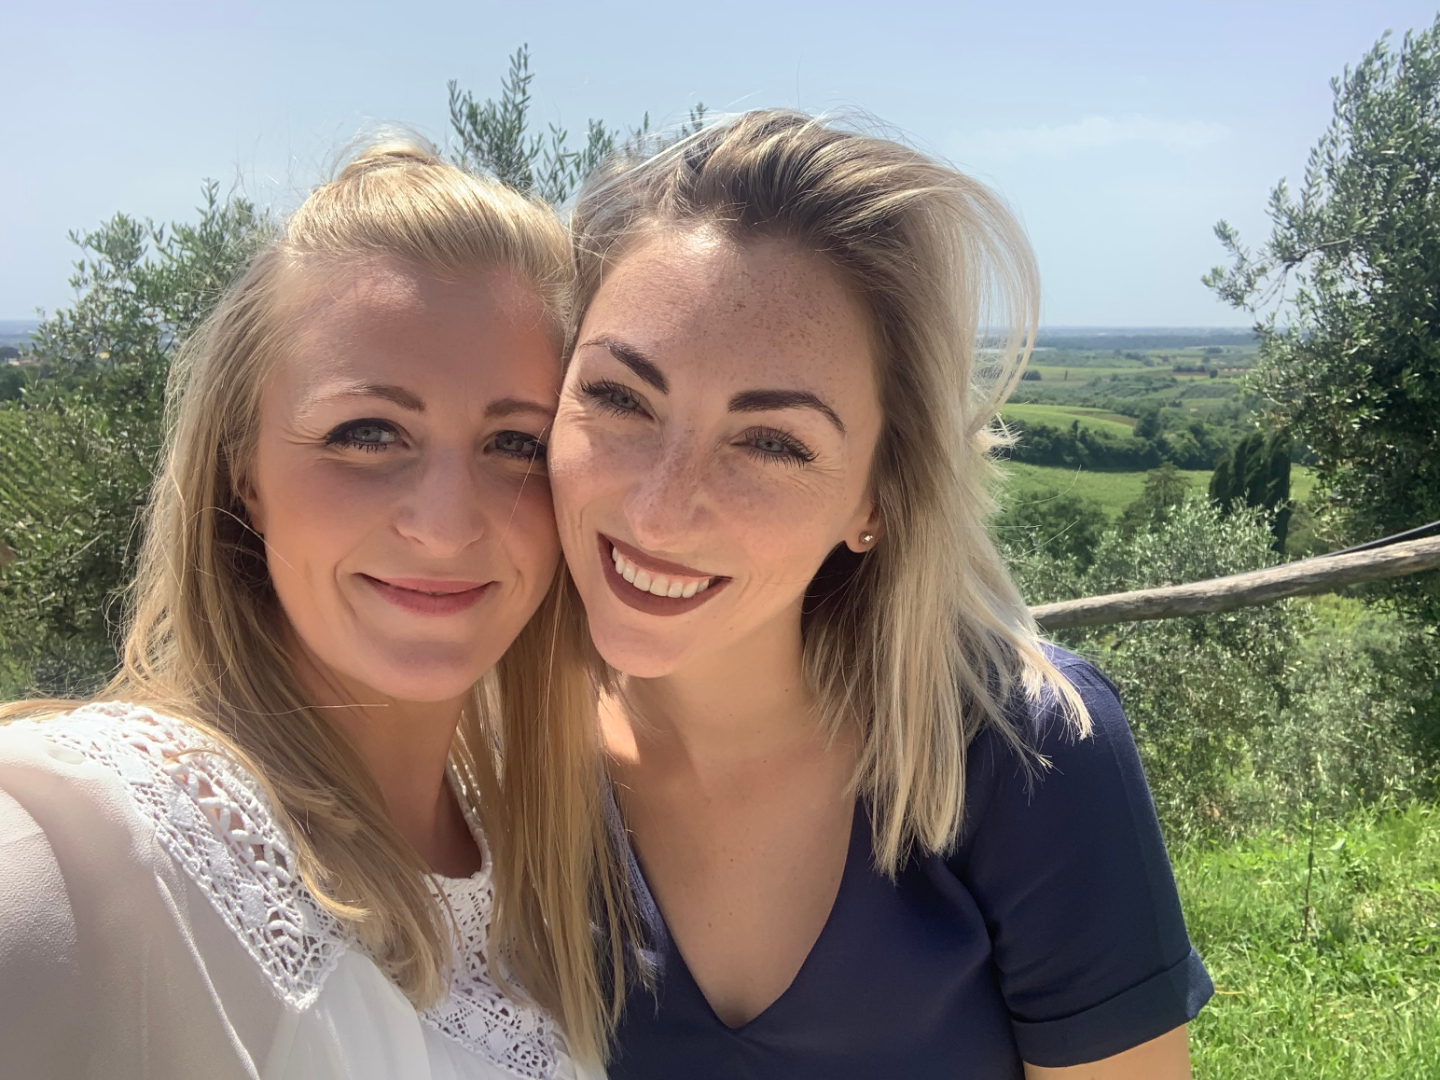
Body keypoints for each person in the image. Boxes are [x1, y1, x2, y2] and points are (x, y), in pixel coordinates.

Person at [545, 111, 1213, 1078]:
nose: (658, 512)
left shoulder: (1024, 752)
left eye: (771, 442)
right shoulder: (496, 755)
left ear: (877, 499)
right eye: (617, 397)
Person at [0, 142, 625, 1079]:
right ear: (243, 475)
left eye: (516, 444)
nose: (446, 527)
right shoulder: (108, 838)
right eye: (367, 433)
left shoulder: (537, 835)